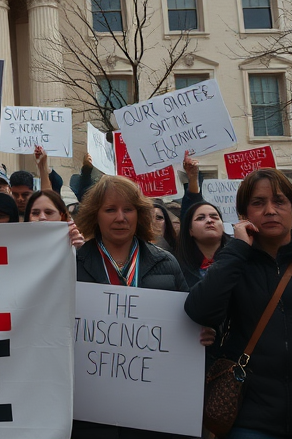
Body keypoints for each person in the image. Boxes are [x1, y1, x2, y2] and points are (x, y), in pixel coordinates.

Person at [186, 167, 292, 439]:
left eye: (279, 201)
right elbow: (201, 310)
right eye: (258, 203)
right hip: (248, 415)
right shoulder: (233, 258)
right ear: (244, 214)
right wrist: (237, 251)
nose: (269, 210)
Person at [74, 175, 206, 439]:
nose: (120, 217)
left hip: (153, 414)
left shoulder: (166, 262)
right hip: (89, 412)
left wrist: (201, 333)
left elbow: (189, 319)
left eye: (128, 209)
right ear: (95, 215)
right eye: (110, 210)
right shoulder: (73, 262)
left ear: (139, 214)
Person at [174, 201, 228, 287]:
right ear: (190, 230)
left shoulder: (240, 257)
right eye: (200, 218)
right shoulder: (175, 266)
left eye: (215, 217)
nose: (210, 220)